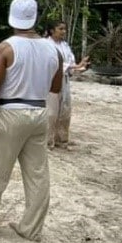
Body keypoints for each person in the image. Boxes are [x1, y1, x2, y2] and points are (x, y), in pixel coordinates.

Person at [0, 0, 62, 241]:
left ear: (11, 17)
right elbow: (55, 87)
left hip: (10, 112)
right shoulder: (54, 50)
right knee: (38, 174)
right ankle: (31, 228)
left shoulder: (5, 48)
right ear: (35, 18)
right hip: (40, 112)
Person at [44, 20, 89, 148]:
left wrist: (79, 67)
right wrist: (75, 65)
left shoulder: (65, 45)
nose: (64, 31)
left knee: (65, 109)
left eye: (64, 29)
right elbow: (52, 63)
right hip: (51, 80)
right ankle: (48, 140)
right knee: (51, 111)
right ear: (52, 30)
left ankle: (62, 138)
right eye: (61, 29)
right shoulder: (46, 45)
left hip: (64, 80)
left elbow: (70, 62)